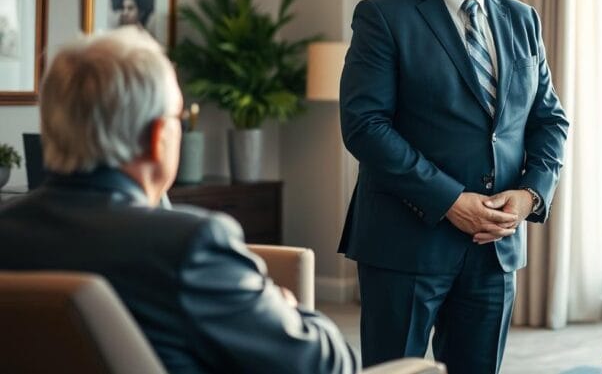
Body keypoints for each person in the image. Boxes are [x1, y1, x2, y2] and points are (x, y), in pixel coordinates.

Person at [0, 27, 356, 374]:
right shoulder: (188, 247)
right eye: (179, 118)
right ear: (159, 136)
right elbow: (328, 365)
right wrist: (289, 308)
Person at [339, 0, 569, 374]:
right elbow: (365, 126)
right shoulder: (383, 16)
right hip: (405, 242)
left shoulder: (522, 19)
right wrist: (449, 200)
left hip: (494, 247)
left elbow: (549, 119)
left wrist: (529, 195)